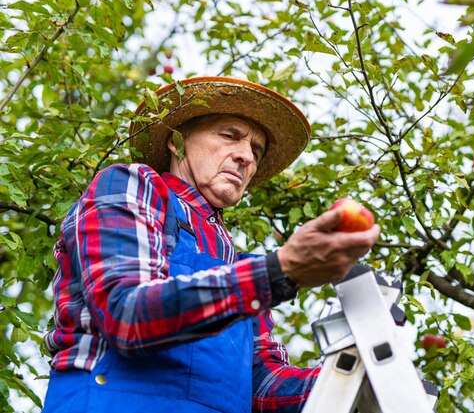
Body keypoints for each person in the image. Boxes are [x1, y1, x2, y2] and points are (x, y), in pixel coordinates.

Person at [41, 76, 381, 413]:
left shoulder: (240, 265)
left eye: (256, 150)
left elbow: (262, 384)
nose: (246, 156)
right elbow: (127, 313)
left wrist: (352, 381)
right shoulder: (134, 186)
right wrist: (279, 271)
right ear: (177, 141)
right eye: (230, 136)